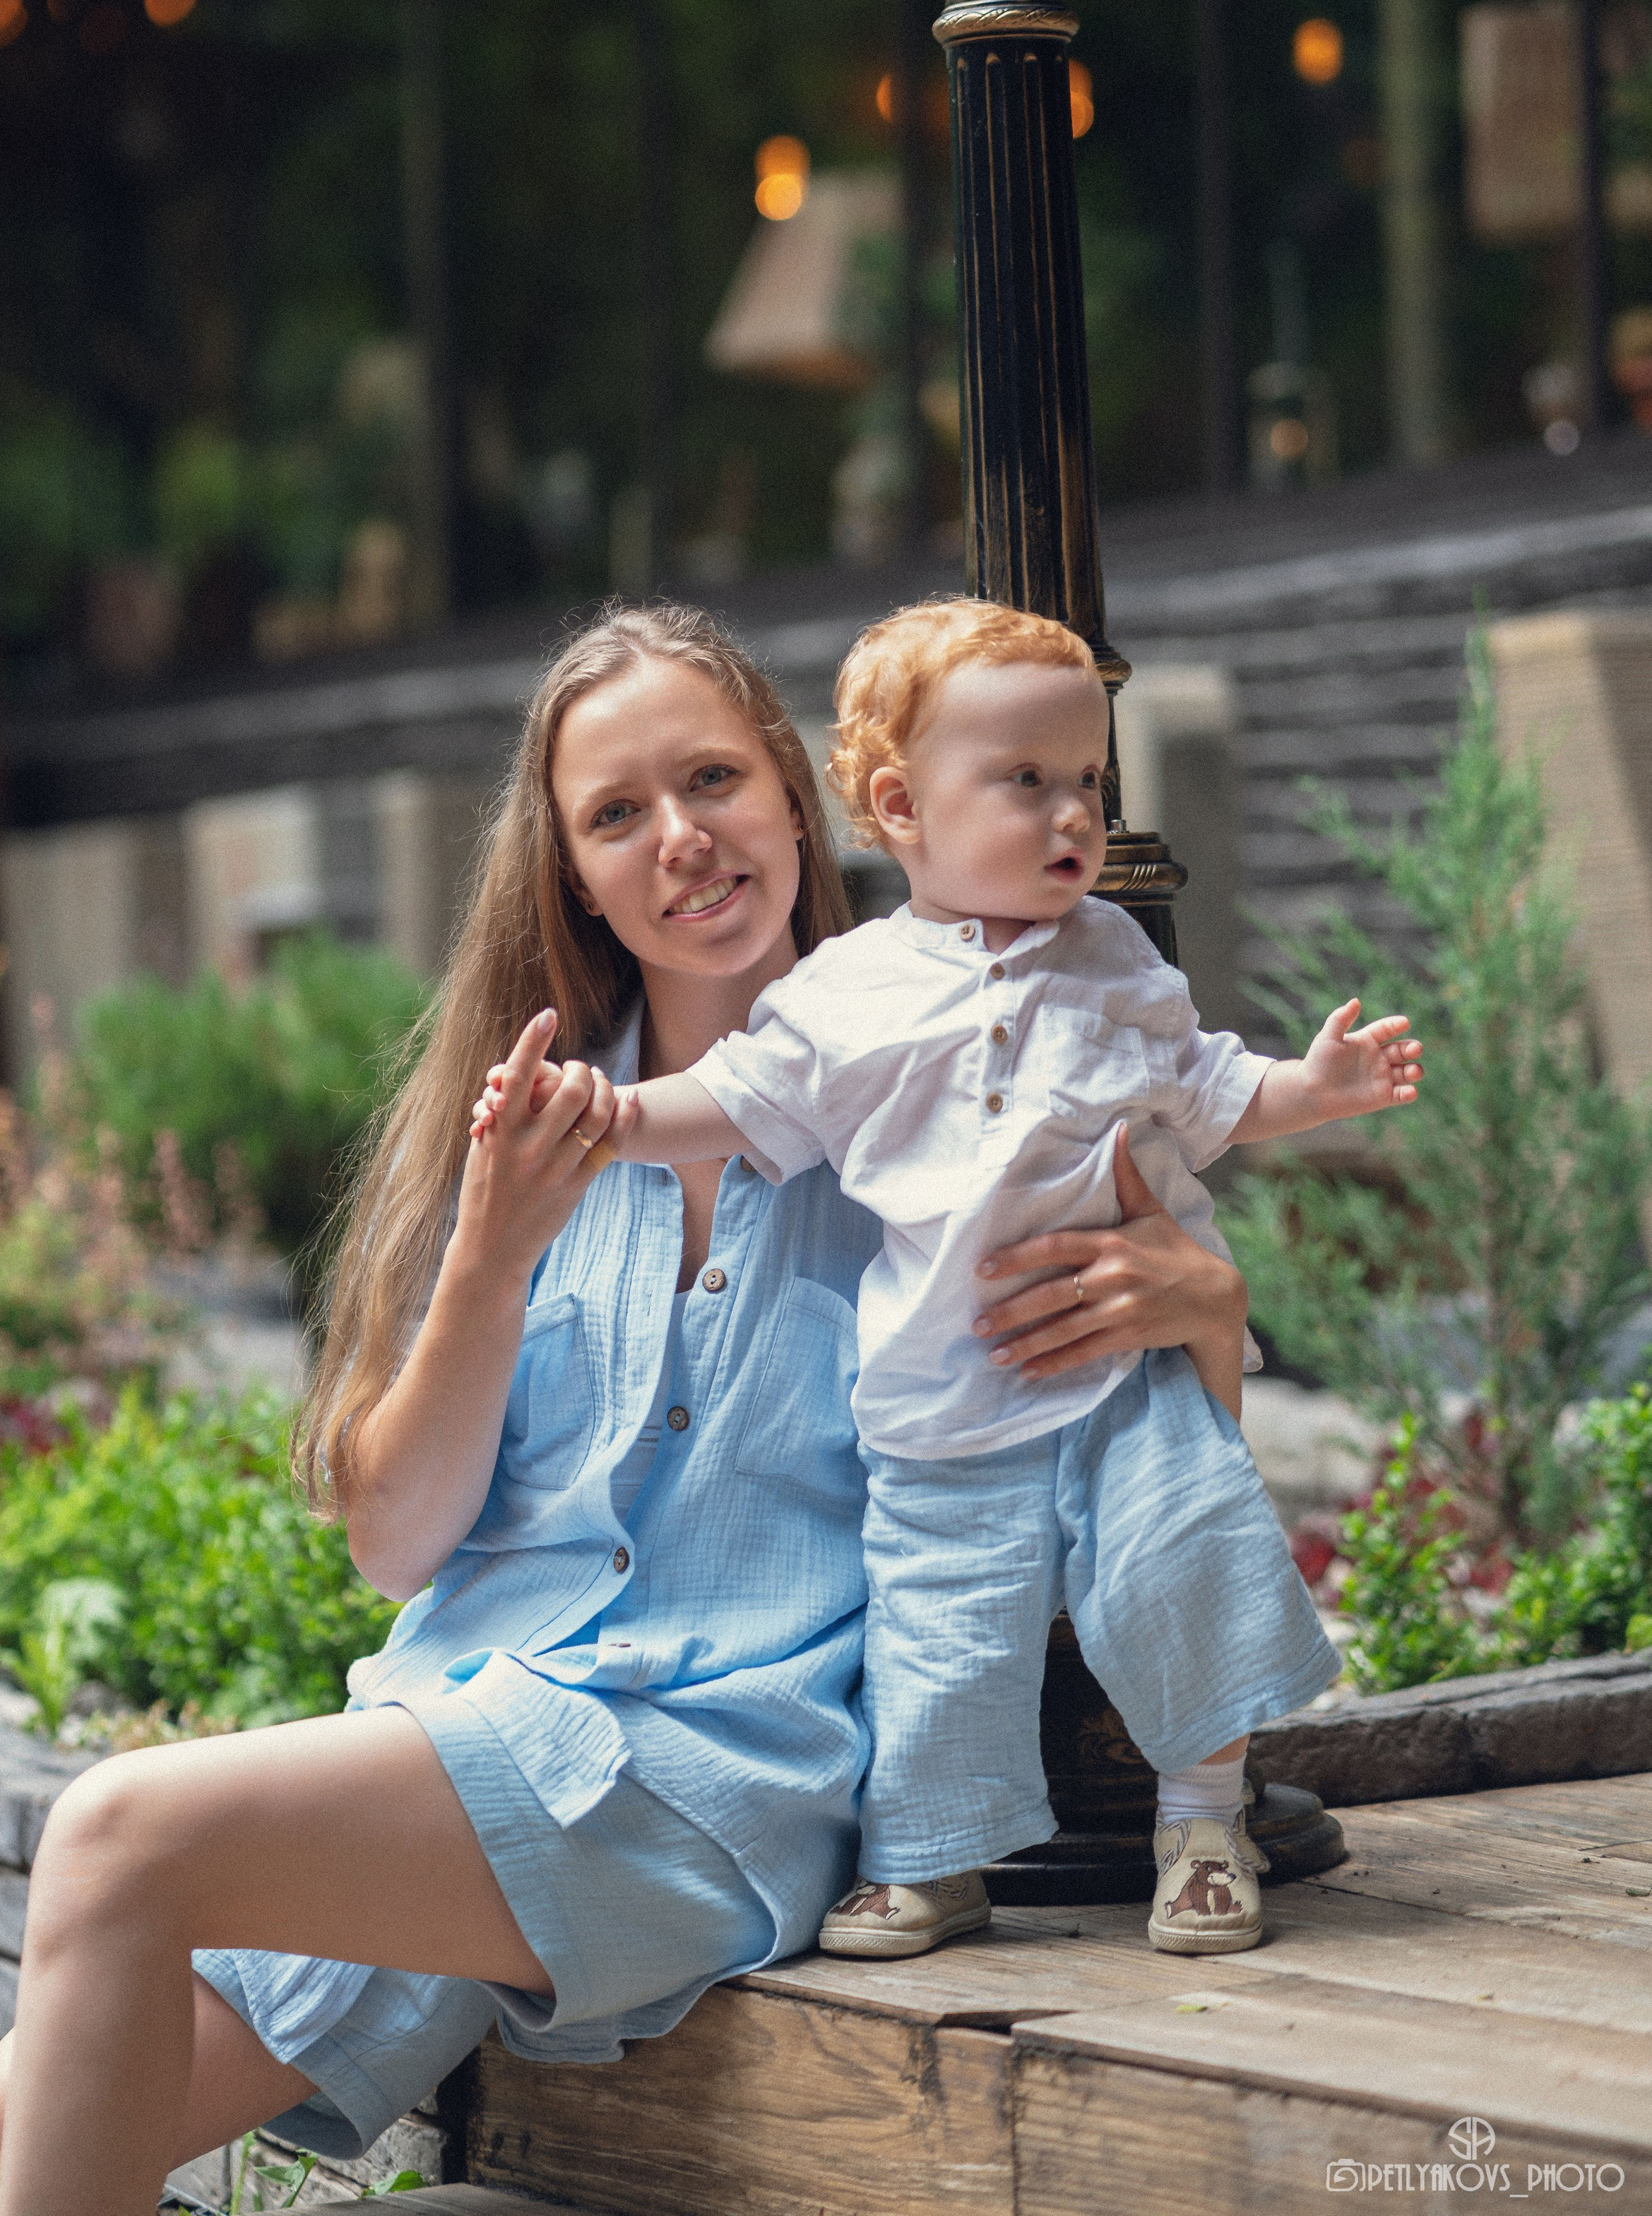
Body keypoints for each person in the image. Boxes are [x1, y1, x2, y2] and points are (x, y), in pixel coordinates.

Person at [0, 603, 1259, 2216]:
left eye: (712, 782)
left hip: (699, 1772)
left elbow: (1156, 1445)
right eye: (618, 813)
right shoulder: (536, 1127)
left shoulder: (958, 1107)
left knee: (116, 1831)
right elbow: (397, 1546)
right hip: (459, 1741)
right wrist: (488, 1245)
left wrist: (1207, 1312)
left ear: (797, 798)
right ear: (577, 870)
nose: (682, 840)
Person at [487, 600, 1413, 1962]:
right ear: (899, 808)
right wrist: (613, 1117)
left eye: (1089, 780)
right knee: (942, 1633)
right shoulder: (850, 992)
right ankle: (933, 1862)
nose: (1073, 816)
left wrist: (1312, 1091)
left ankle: (1204, 1821)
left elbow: (1212, 1084)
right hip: (938, 1399)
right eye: (1026, 782)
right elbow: (738, 1097)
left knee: (1180, 1561)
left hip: (1115, 1374)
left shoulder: (1119, 960)